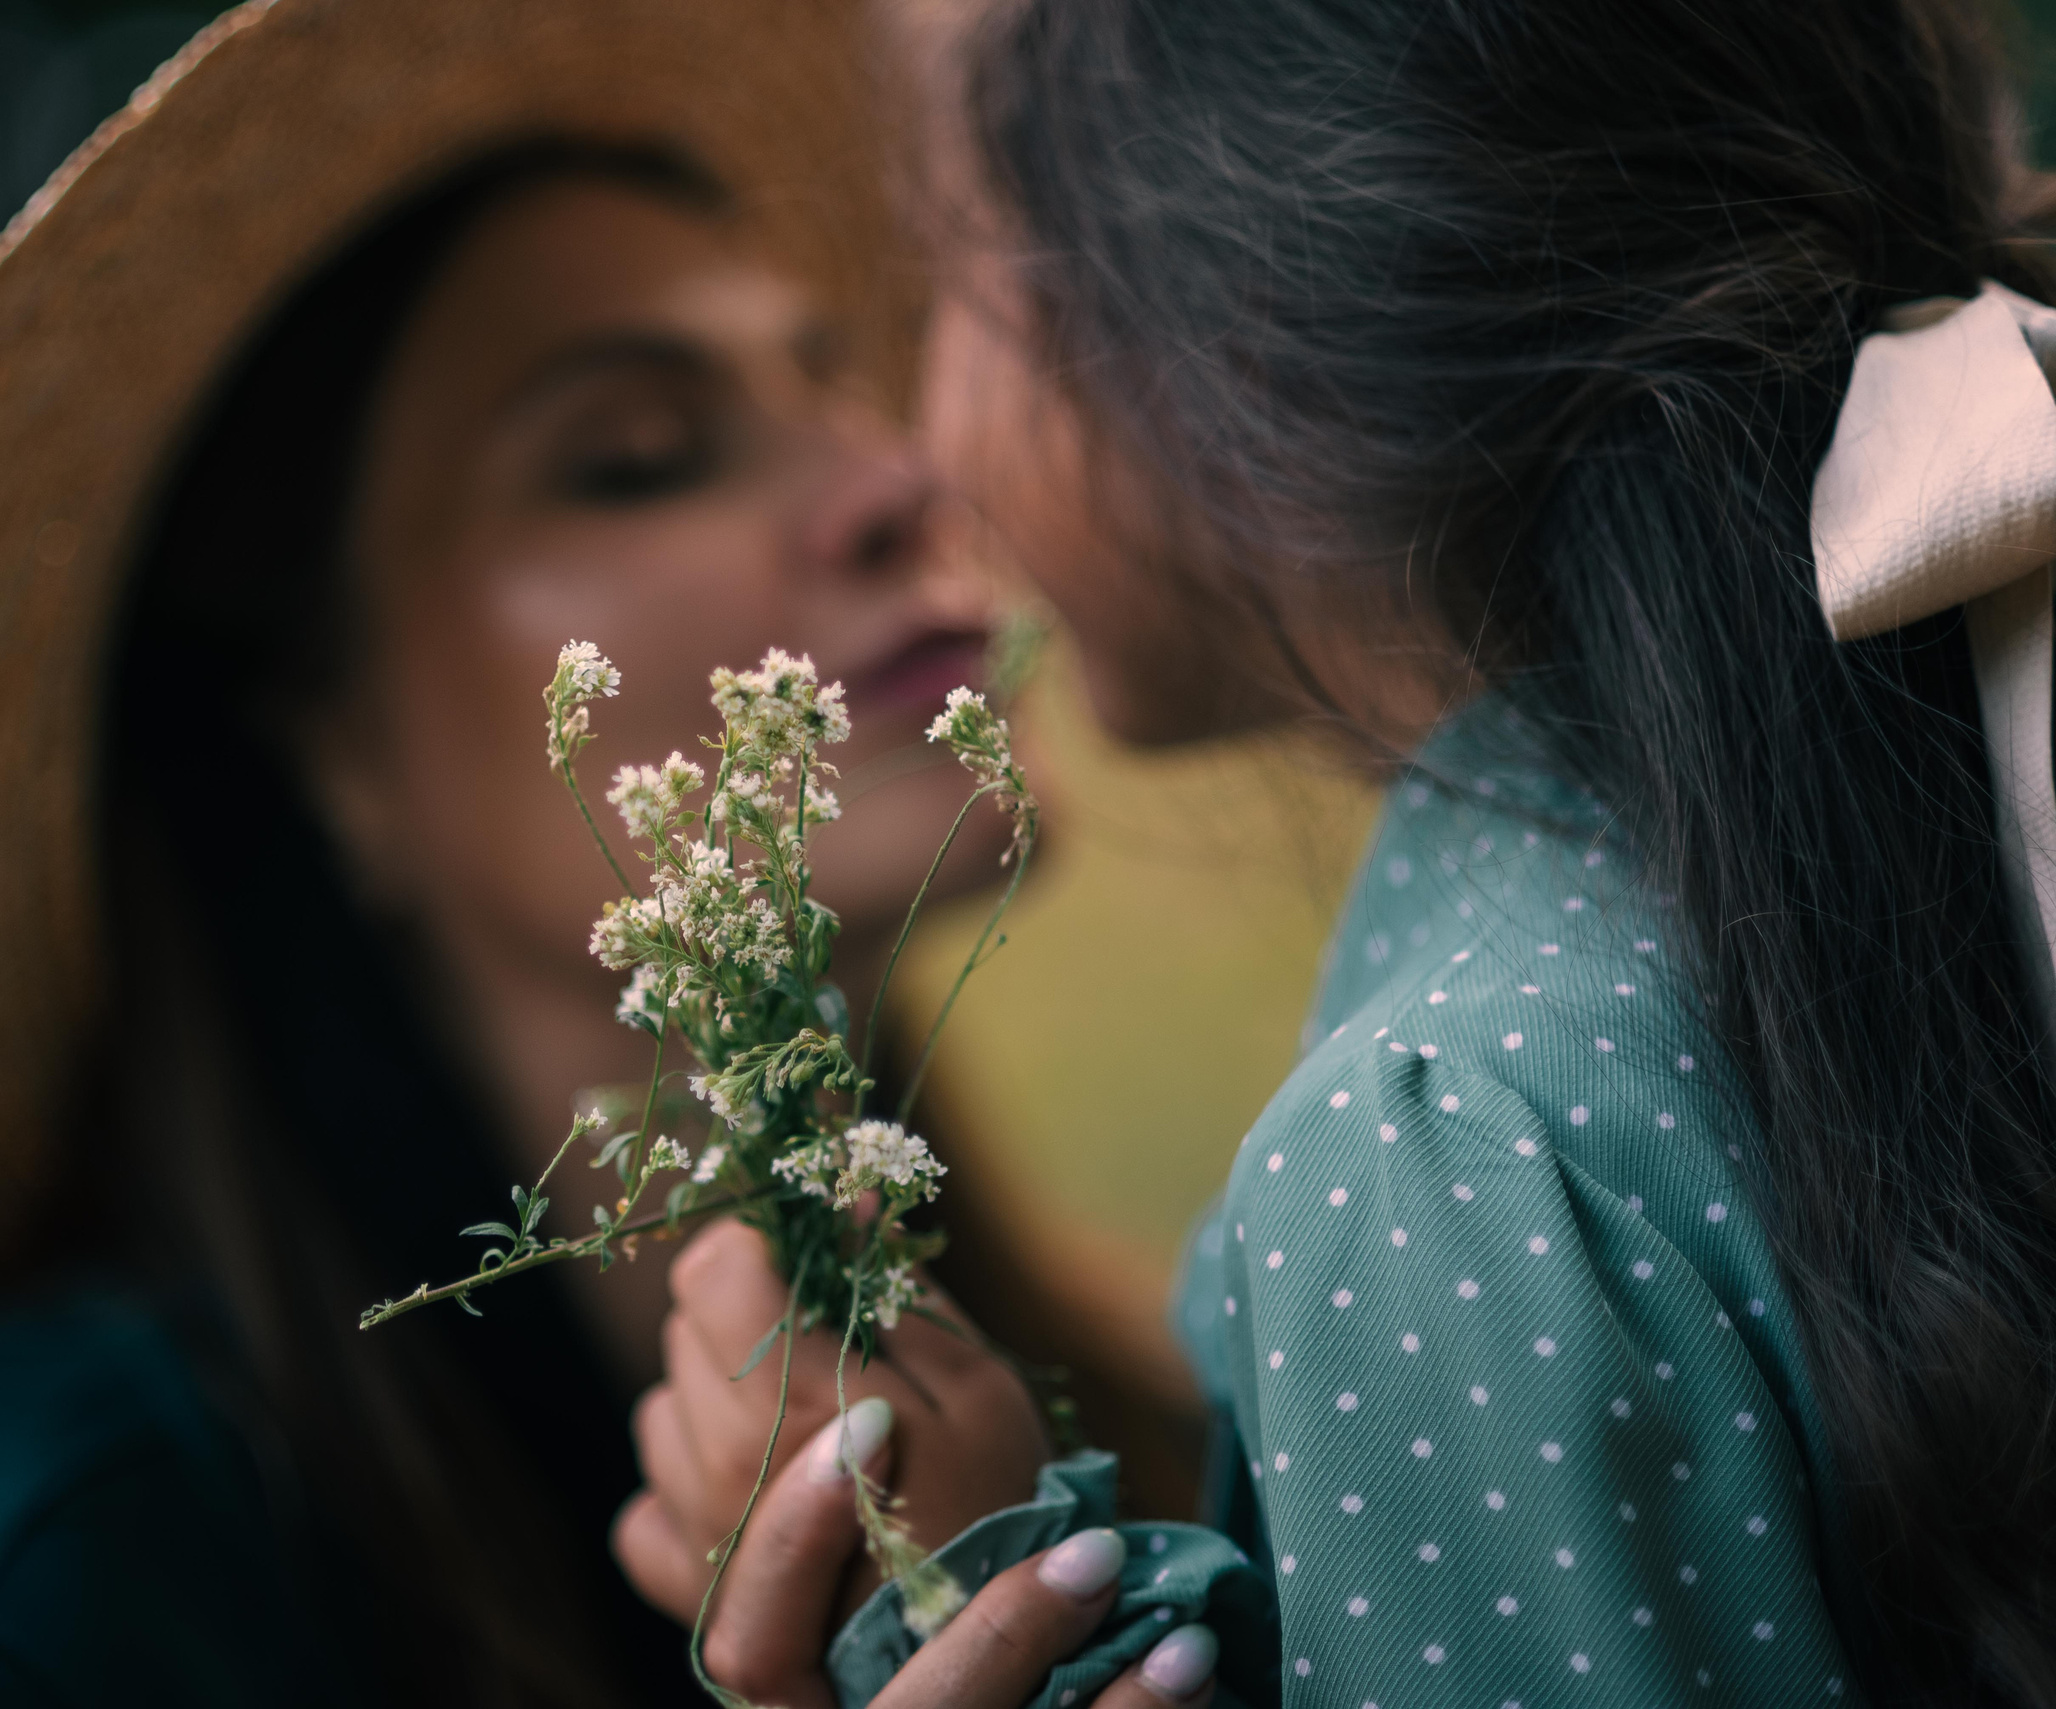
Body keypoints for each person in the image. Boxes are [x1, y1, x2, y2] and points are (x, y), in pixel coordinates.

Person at [0, 5, 1199, 1705]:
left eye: (838, 381)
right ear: (326, 753)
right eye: (636, 454)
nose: (903, 478)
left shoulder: (1126, 1411)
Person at [619, 0, 2056, 1703]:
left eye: (955, 278)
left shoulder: (1440, 1147)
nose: (918, 456)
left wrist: (986, 1601)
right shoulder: (1934, 783)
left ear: (1228, 341)